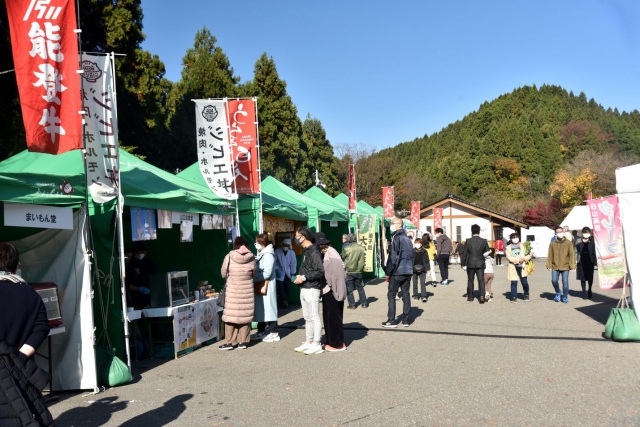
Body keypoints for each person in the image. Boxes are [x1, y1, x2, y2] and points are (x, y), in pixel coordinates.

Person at [0, 243, 55, 426]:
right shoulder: (31, 294)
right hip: (22, 370)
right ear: (16, 266)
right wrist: (19, 356)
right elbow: (41, 328)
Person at [219, 236, 256, 350]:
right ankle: (243, 342)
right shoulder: (252, 258)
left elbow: (223, 273)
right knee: (245, 316)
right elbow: (254, 273)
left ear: (236, 245)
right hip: (247, 292)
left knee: (231, 316)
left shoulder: (229, 257)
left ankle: (229, 342)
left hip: (232, 291)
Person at [293, 226, 325, 355]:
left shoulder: (314, 252)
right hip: (305, 287)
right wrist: (300, 277)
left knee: (314, 316)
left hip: (312, 288)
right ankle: (309, 341)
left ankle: (317, 343)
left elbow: (320, 271)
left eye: (296, 237)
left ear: (303, 237)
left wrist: (304, 277)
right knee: (307, 317)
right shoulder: (307, 251)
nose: (295, 239)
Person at [316, 233, 347, 352]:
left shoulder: (331, 256)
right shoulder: (329, 253)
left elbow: (335, 276)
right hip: (331, 289)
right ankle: (332, 341)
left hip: (333, 290)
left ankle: (337, 344)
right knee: (330, 316)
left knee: (334, 317)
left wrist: (333, 289)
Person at [382, 217, 414, 328]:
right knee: (406, 294)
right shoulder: (408, 239)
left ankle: (391, 320)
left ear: (399, 224)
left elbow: (393, 257)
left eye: (393, 223)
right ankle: (406, 320)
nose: (391, 225)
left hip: (397, 271)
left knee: (391, 294)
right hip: (408, 270)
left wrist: (388, 271)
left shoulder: (397, 237)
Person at [252, 233, 280, 343]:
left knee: (270, 309)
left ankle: (274, 333)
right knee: (263, 310)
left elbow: (267, 272)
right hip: (263, 284)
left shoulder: (268, 254)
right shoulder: (262, 253)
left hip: (266, 284)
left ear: (262, 243)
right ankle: (261, 331)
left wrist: (253, 278)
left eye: (257, 242)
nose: (255, 244)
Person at [547, 226, 576, 304]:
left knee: (565, 282)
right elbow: (550, 255)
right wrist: (548, 265)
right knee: (554, 280)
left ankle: (565, 296)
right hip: (555, 266)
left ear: (563, 232)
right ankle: (558, 292)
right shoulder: (553, 243)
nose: (559, 233)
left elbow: (572, 254)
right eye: (558, 232)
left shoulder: (568, 243)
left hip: (565, 266)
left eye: (561, 232)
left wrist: (572, 265)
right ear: (555, 233)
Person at [126, 241, 157, 309]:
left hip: (150, 296)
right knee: (139, 316)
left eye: (142, 252)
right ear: (134, 253)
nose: (140, 254)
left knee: (153, 315)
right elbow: (126, 283)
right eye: (138, 252)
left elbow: (156, 278)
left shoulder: (150, 263)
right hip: (136, 297)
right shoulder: (131, 264)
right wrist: (139, 289)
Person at [463, 224, 490, 303]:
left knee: (470, 280)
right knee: (481, 280)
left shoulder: (468, 241)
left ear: (471, 231)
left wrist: (463, 264)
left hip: (470, 262)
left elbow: (464, 253)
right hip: (480, 262)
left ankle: (470, 296)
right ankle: (481, 296)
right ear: (479, 231)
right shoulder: (484, 241)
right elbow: (487, 252)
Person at [342, 233, 367, 309]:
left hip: (349, 270)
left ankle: (352, 304)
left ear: (349, 239)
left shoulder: (346, 248)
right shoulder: (361, 248)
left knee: (349, 289)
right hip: (359, 270)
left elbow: (342, 257)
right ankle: (364, 303)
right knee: (360, 287)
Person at [506, 233, 532, 302]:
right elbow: (509, 257)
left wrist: (524, 259)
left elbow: (529, 254)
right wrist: (518, 260)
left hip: (522, 266)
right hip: (513, 266)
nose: (515, 239)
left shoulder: (523, 245)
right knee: (514, 282)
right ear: (511, 239)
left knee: (524, 282)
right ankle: (514, 296)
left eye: (516, 237)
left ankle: (526, 294)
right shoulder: (508, 247)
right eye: (514, 237)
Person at [275, 238, 297, 308]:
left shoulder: (292, 253)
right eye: (284, 245)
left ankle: (283, 301)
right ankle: (284, 301)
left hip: (288, 273)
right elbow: (274, 262)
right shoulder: (277, 251)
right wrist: (276, 269)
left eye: (287, 245)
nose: (285, 246)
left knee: (287, 288)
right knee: (281, 288)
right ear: (282, 245)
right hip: (279, 273)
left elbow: (293, 263)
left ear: (289, 246)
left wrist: (293, 273)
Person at [575, 226, 597, 299]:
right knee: (582, 276)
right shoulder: (578, 240)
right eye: (584, 232)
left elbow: (595, 251)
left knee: (590, 277)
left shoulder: (593, 240)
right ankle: (584, 291)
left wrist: (596, 262)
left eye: (587, 232)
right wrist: (575, 259)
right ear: (582, 233)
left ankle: (589, 289)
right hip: (581, 260)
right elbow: (575, 250)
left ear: (590, 233)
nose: (586, 234)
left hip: (590, 260)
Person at [412, 238, 430, 302]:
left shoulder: (424, 251)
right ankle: (416, 295)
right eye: (416, 243)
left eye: (418, 243)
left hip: (423, 269)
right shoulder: (412, 251)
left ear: (421, 244)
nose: (417, 244)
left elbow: (427, 261)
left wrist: (428, 269)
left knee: (422, 283)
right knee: (414, 283)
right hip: (414, 269)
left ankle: (423, 296)